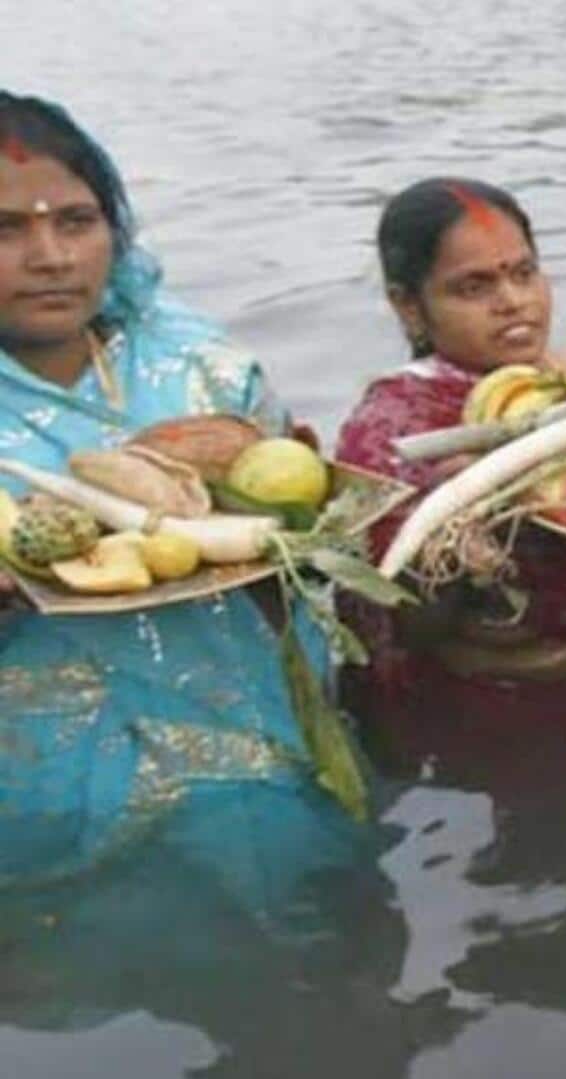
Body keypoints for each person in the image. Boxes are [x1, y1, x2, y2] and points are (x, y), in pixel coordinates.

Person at [0, 92, 362, 895]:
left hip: (263, 759)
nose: (52, 255)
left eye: (76, 220)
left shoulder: (203, 368)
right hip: (38, 801)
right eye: (7, 230)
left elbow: (309, 552)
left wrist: (310, 527)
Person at [334, 177, 566, 738]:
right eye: (473, 287)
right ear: (408, 306)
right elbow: (401, 624)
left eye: (523, 273)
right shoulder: (393, 430)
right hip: (496, 723)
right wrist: (461, 530)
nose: (513, 301)